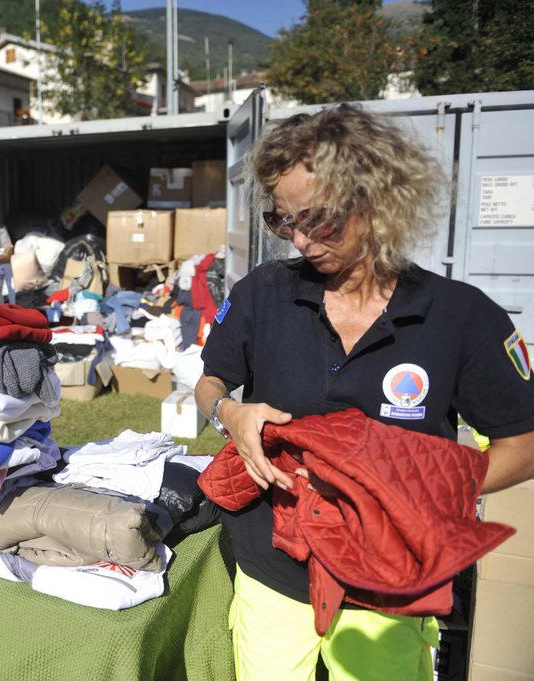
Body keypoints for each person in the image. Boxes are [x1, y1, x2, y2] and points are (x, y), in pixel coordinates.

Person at [193, 104, 534, 680]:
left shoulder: (460, 316)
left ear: (377, 199)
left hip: (391, 577)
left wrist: (411, 489)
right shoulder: (263, 293)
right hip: (275, 564)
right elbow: (209, 382)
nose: (300, 241)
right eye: (285, 222)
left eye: (318, 220)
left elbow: (522, 444)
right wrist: (230, 413)